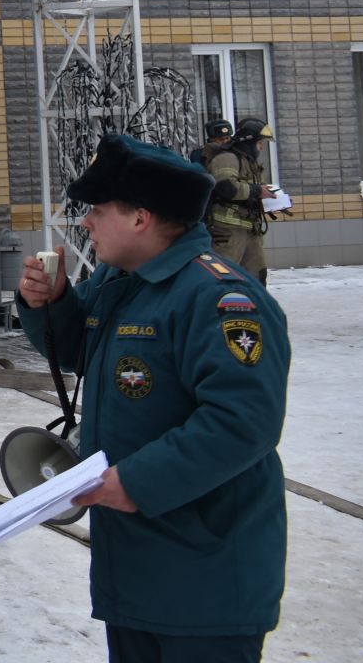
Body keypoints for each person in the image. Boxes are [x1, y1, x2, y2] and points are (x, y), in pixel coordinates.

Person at [18, 134, 289, 662]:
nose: (85, 223)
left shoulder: (218, 299)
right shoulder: (122, 282)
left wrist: (137, 482)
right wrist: (51, 304)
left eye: (97, 209)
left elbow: (242, 422)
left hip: (207, 574)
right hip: (139, 566)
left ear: (141, 217)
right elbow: (79, 351)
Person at [205, 118, 274, 283]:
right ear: (249, 142)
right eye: (259, 143)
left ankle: (254, 308)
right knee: (223, 279)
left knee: (257, 279)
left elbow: (249, 188)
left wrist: (271, 196)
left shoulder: (247, 161)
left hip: (249, 230)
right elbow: (226, 187)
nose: (261, 147)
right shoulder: (227, 158)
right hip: (228, 232)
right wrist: (257, 191)